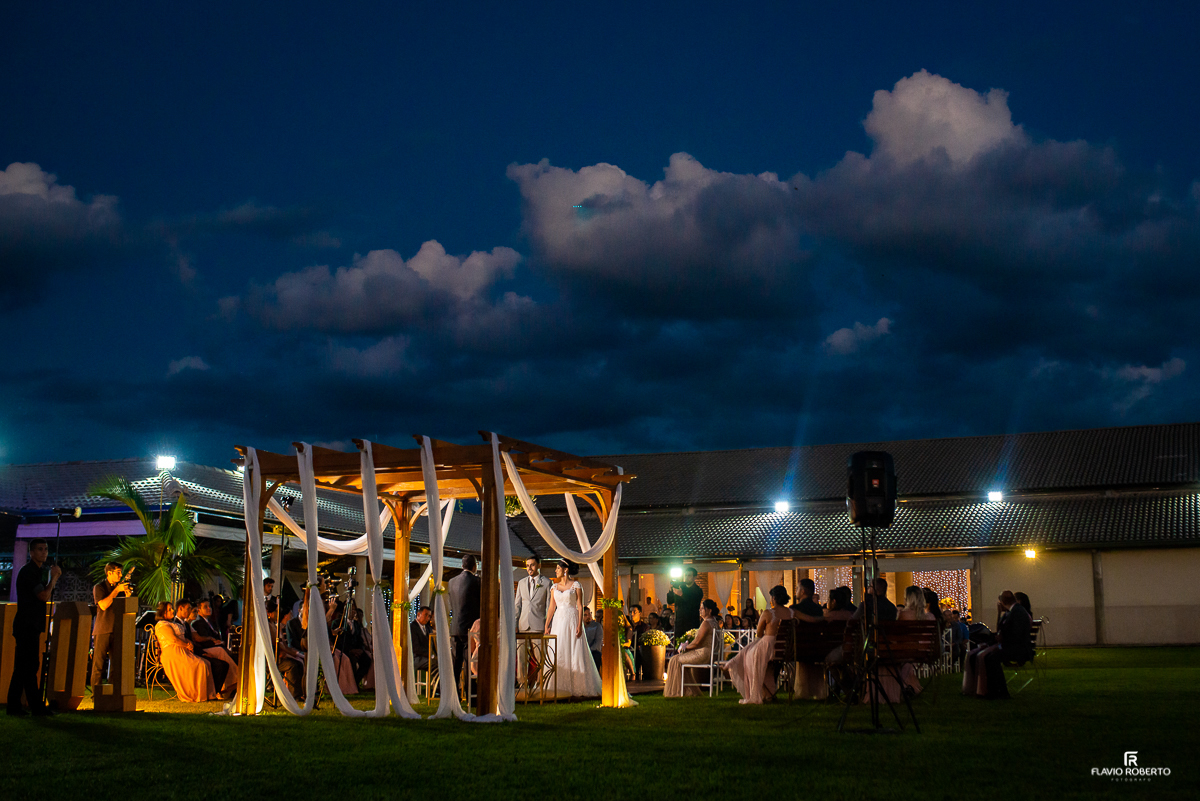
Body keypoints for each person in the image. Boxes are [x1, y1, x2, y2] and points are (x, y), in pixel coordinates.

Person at [6, 539, 60, 716]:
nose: (44, 552)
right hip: (27, 625)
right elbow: (43, 595)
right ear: (31, 552)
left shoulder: (36, 572)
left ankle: (28, 706)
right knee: (26, 667)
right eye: (40, 549)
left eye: (46, 549)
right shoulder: (29, 572)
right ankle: (24, 706)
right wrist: (54, 579)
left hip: (30, 625)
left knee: (27, 667)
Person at [544, 560, 601, 698]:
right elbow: (551, 607)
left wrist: (579, 624)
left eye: (558, 568)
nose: (555, 571)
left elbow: (580, 606)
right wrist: (547, 624)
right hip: (559, 620)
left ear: (565, 569)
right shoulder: (554, 587)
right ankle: (556, 685)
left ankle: (578, 685)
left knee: (574, 649)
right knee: (559, 648)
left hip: (572, 618)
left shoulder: (576, 585)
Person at [726, 585, 793, 704]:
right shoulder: (792, 613)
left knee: (749, 657)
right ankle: (769, 693)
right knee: (752, 654)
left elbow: (759, 633)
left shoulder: (768, 613)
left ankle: (732, 663)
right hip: (787, 649)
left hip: (768, 648)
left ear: (773, 598)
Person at [963, 590, 1033, 699]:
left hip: (1018, 649)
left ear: (1002, 602)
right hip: (1012, 645)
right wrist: (999, 614)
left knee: (991, 658)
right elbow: (1001, 630)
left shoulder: (1017, 612)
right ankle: (990, 690)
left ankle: (999, 691)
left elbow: (1016, 634)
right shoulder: (1012, 611)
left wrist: (1002, 639)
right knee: (986, 656)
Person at [155, 602, 219, 702]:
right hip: (173, 651)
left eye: (172, 608)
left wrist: (189, 643)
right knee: (200, 664)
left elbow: (183, 636)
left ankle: (208, 694)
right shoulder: (162, 625)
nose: (172, 611)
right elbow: (173, 639)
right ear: (163, 613)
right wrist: (186, 645)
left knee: (206, 663)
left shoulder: (173, 623)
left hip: (183, 649)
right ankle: (195, 694)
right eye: (169, 609)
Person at [664, 599, 721, 697]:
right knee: (676, 659)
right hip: (710, 653)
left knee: (674, 660)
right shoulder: (715, 622)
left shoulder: (706, 623)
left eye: (702, 608)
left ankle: (677, 691)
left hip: (703, 654)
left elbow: (697, 642)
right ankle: (686, 689)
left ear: (709, 610)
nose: (700, 610)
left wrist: (685, 648)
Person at [91, 561, 133, 691]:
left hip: (118, 629)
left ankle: (113, 692)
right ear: (109, 573)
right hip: (103, 628)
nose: (120, 575)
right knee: (99, 664)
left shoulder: (119, 588)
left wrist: (127, 596)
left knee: (116, 664)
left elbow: (125, 608)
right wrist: (116, 590)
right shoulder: (100, 587)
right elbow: (103, 605)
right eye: (118, 572)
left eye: (121, 572)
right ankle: (96, 694)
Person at [190, 598, 239, 698]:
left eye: (209, 606)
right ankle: (234, 680)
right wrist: (214, 642)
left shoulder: (210, 622)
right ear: (199, 610)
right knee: (222, 654)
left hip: (216, 646)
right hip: (207, 648)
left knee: (233, 655)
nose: (209, 608)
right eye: (205, 607)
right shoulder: (198, 623)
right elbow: (202, 640)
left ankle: (234, 682)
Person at [514, 555, 549, 689]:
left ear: (539, 566)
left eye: (532, 565)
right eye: (527, 565)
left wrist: (547, 625)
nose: (529, 568)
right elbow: (517, 605)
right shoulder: (521, 583)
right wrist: (515, 624)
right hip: (522, 626)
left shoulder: (546, 582)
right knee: (521, 657)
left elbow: (548, 607)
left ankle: (540, 685)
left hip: (538, 625)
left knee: (540, 658)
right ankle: (522, 685)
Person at [448, 555, 480, 689]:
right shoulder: (477, 581)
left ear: (462, 566)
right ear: (474, 566)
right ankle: (470, 692)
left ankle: (453, 693)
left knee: (455, 662)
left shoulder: (451, 582)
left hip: (455, 627)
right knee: (468, 661)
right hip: (470, 628)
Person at [667, 568, 703, 641]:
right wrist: (670, 591)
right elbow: (670, 601)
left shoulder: (698, 590)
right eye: (685, 575)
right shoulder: (681, 587)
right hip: (679, 622)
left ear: (694, 577)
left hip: (691, 622)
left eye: (689, 575)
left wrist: (682, 595)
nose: (686, 577)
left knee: (690, 644)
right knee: (678, 644)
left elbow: (693, 604)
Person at [410, 607, 434, 673]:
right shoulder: (412, 627)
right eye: (425, 615)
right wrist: (430, 654)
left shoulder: (429, 628)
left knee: (441, 662)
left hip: (427, 657)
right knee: (436, 664)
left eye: (429, 616)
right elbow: (415, 648)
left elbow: (432, 644)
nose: (427, 618)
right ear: (418, 614)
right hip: (417, 658)